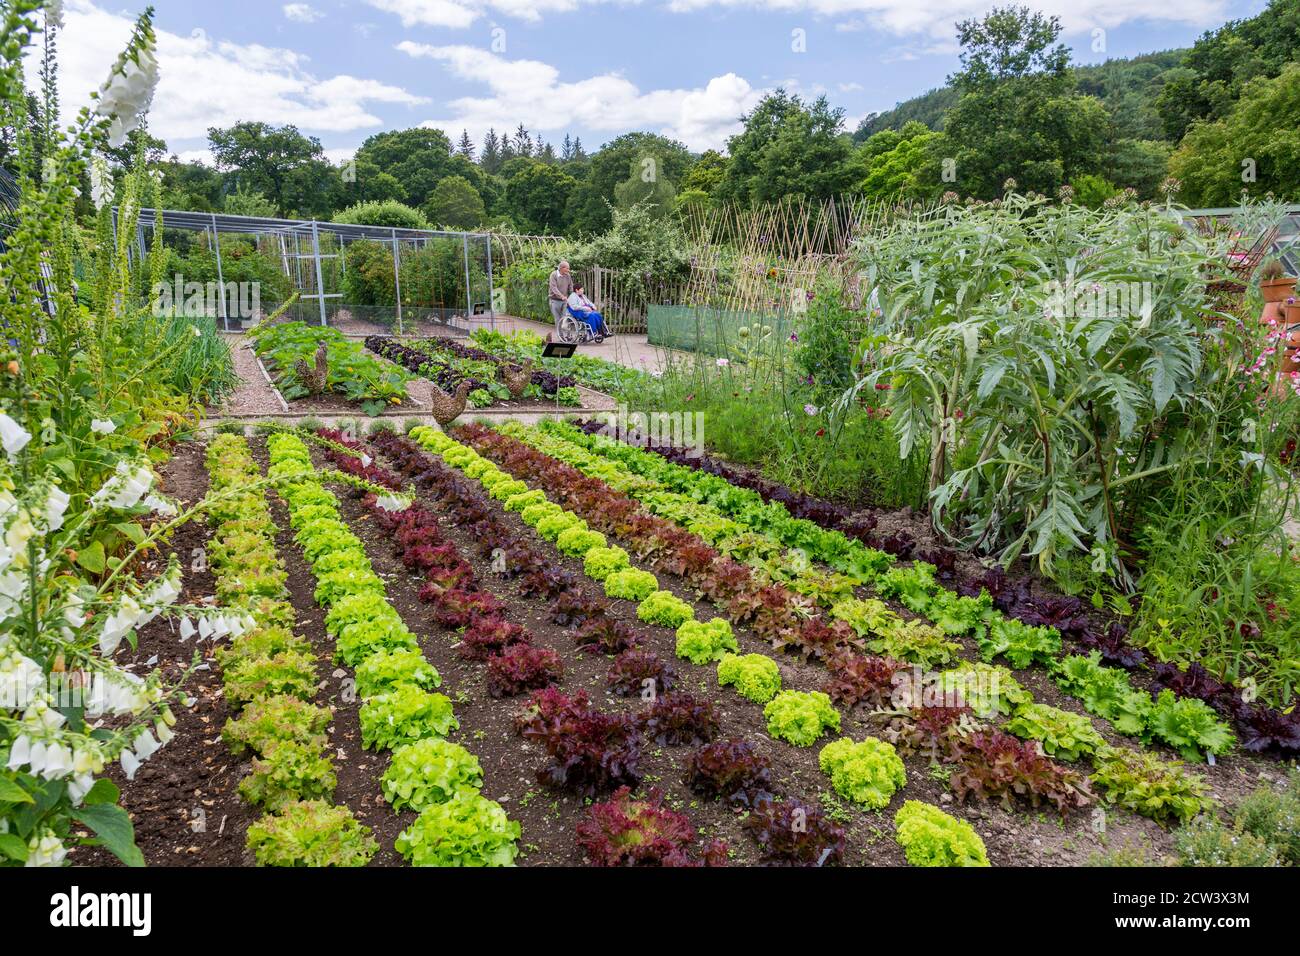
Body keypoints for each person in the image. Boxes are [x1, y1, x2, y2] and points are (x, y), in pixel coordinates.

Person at [548, 260, 573, 334]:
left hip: (564, 300)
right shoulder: (554, 275)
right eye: (567, 268)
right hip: (554, 300)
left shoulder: (567, 275)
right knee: (558, 319)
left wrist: (572, 296)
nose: (568, 270)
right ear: (561, 268)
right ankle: (561, 336)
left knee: (565, 318)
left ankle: (568, 335)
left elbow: (570, 286)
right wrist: (561, 296)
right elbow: (553, 288)